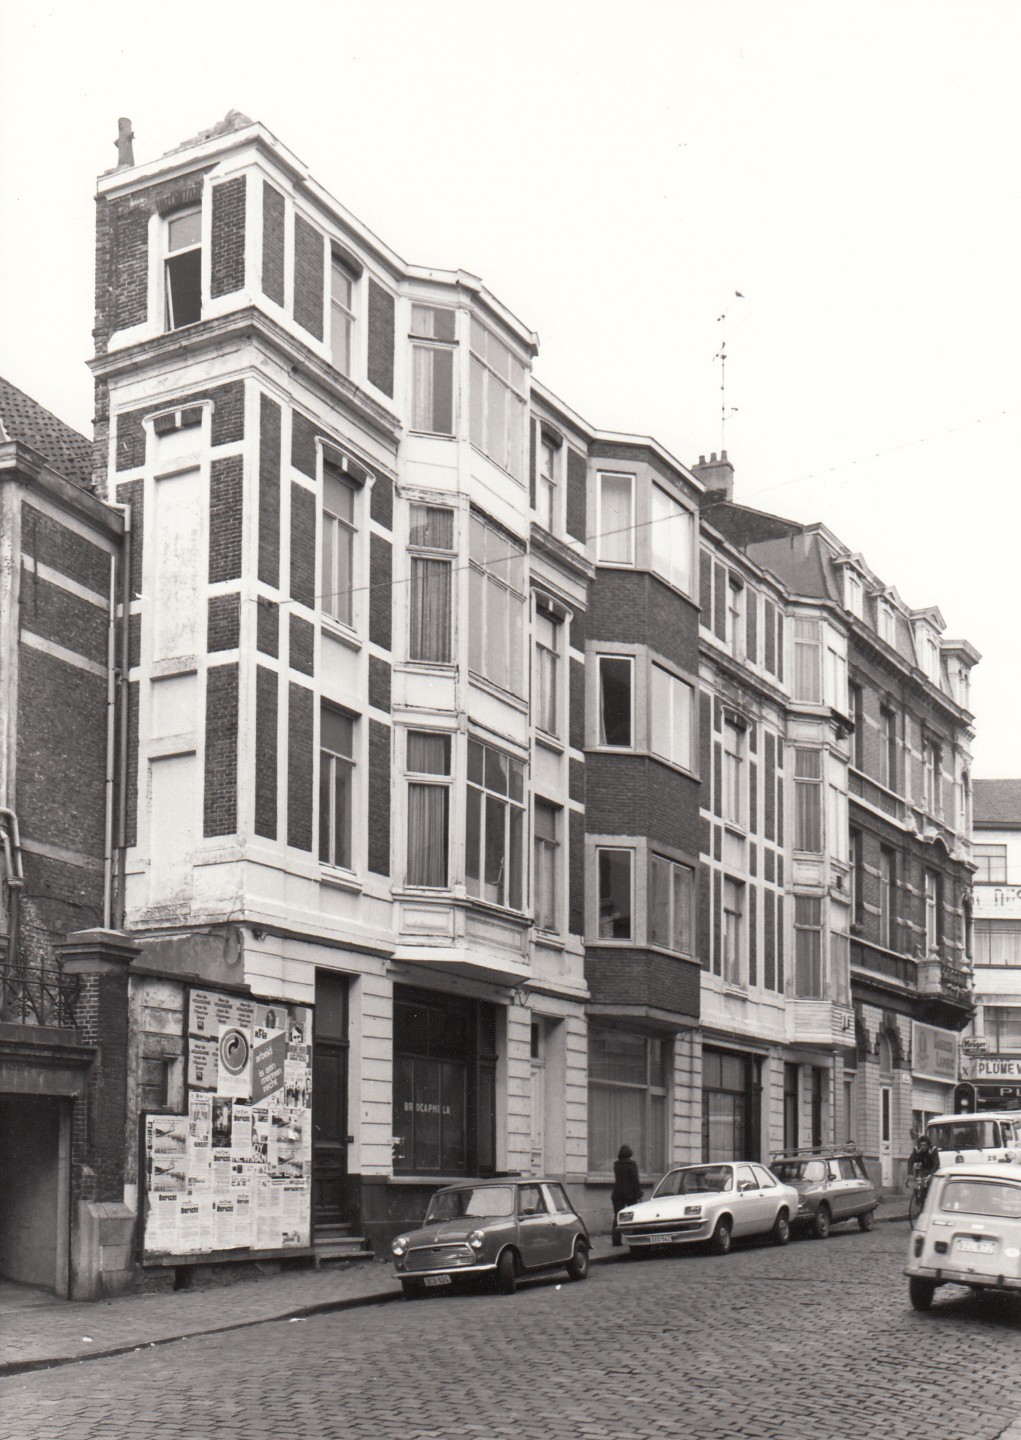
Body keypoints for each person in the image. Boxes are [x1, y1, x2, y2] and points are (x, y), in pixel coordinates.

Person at [611, 1144, 643, 1246]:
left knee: (617, 1216)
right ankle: (635, 1236)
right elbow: (635, 1181)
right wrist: (639, 1195)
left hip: (617, 1194)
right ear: (630, 1154)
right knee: (634, 1215)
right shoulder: (632, 1165)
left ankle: (616, 1240)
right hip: (630, 1194)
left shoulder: (616, 1165)